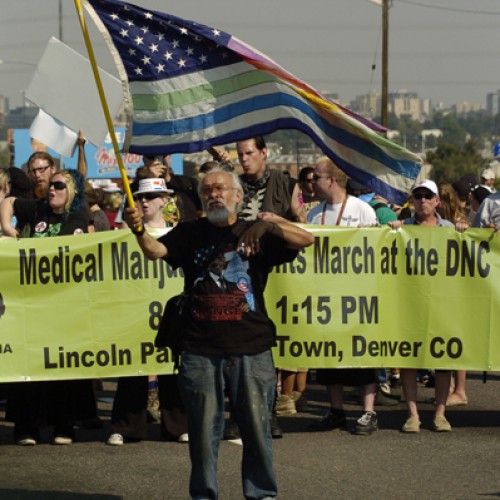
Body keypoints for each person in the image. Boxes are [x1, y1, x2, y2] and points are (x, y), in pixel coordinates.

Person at [124, 167, 314, 499]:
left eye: (221, 188)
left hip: (252, 348)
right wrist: (138, 228)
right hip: (199, 350)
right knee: (202, 433)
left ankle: (261, 494)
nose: (214, 194)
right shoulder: (188, 233)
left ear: (238, 197)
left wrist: (270, 224)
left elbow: (307, 239)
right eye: (207, 190)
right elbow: (155, 251)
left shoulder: (256, 231)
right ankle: (204, 494)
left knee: (256, 431)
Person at [1, 169, 98, 445]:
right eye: (51, 184)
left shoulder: (80, 218)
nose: (52, 189)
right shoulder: (38, 207)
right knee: (28, 363)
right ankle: (26, 427)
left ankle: (63, 427)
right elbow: (7, 202)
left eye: (59, 185)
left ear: (73, 192)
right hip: (30, 305)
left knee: (62, 368)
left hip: (64, 308)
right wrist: (9, 228)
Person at [107, 178, 190, 446]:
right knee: (133, 365)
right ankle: (125, 426)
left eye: (152, 196)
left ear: (164, 200)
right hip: (136, 309)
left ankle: (178, 426)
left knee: (171, 366)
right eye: (141, 196)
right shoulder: (125, 234)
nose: (144, 201)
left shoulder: (178, 233)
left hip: (167, 309)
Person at [307, 156, 380, 436]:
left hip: (357, 296)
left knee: (362, 355)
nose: (312, 182)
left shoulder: (362, 210)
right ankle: (336, 410)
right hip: (326, 297)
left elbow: (376, 249)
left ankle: (368, 411)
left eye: (316, 177)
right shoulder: (315, 214)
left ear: (332, 180)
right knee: (328, 358)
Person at [388, 179, 456, 433]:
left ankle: (440, 414)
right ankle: (413, 415)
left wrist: (464, 228)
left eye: (428, 195)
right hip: (410, 303)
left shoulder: (450, 228)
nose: (423, 199)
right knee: (408, 358)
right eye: (418, 196)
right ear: (412, 200)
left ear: (437, 201)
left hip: (442, 303)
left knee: (443, 360)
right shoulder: (403, 227)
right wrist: (391, 230)